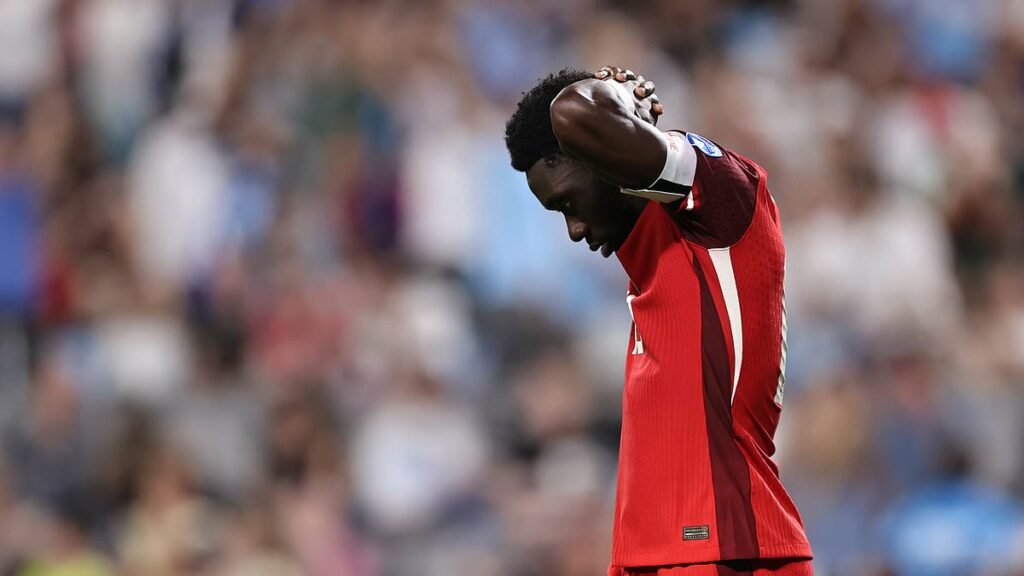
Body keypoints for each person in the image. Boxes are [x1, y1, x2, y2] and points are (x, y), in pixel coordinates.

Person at [504, 66, 813, 576]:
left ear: (602, 158)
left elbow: (572, 111)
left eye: (567, 203)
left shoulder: (724, 202)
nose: (575, 230)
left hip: (725, 551)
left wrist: (618, 100)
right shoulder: (656, 264)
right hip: (669, 553)